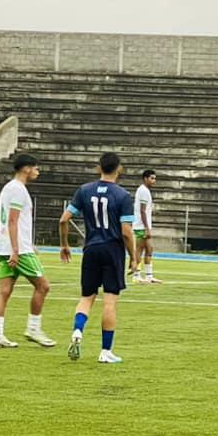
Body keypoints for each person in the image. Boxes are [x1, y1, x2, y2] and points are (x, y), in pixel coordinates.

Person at [59, 152, 137, 363]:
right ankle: (105, 351)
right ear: (119, 169)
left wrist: (65, 244)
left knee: (87, 297)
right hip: (112, 249)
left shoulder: (84, 190)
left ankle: (77, 331)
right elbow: (126, 232)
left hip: (91, 248)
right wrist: (134, 257)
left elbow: (64, 219)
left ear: (98, 168)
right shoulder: (122, 195)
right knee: (110, 300)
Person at [0, 154, 55, 348]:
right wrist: (17, 250)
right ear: (26, 168)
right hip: (17, 249)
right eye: (35, 167)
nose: (37, 171)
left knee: (4, 291)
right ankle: (33, 328)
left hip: (3, 246)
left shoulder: (9, 188)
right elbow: (13, 220)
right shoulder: (18, 190)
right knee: (43, 286)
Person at [132, 169, 161, 284]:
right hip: (141, 226)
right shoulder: (143, 191)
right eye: (152, 178)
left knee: (149, 249)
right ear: (145, 178)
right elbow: (142, 211)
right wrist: (147, 228)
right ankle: (136, 275)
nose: (154, 181)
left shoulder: (145, 190)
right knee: (140, 249)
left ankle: (149, 276)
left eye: (155, 178)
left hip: (143, 225)